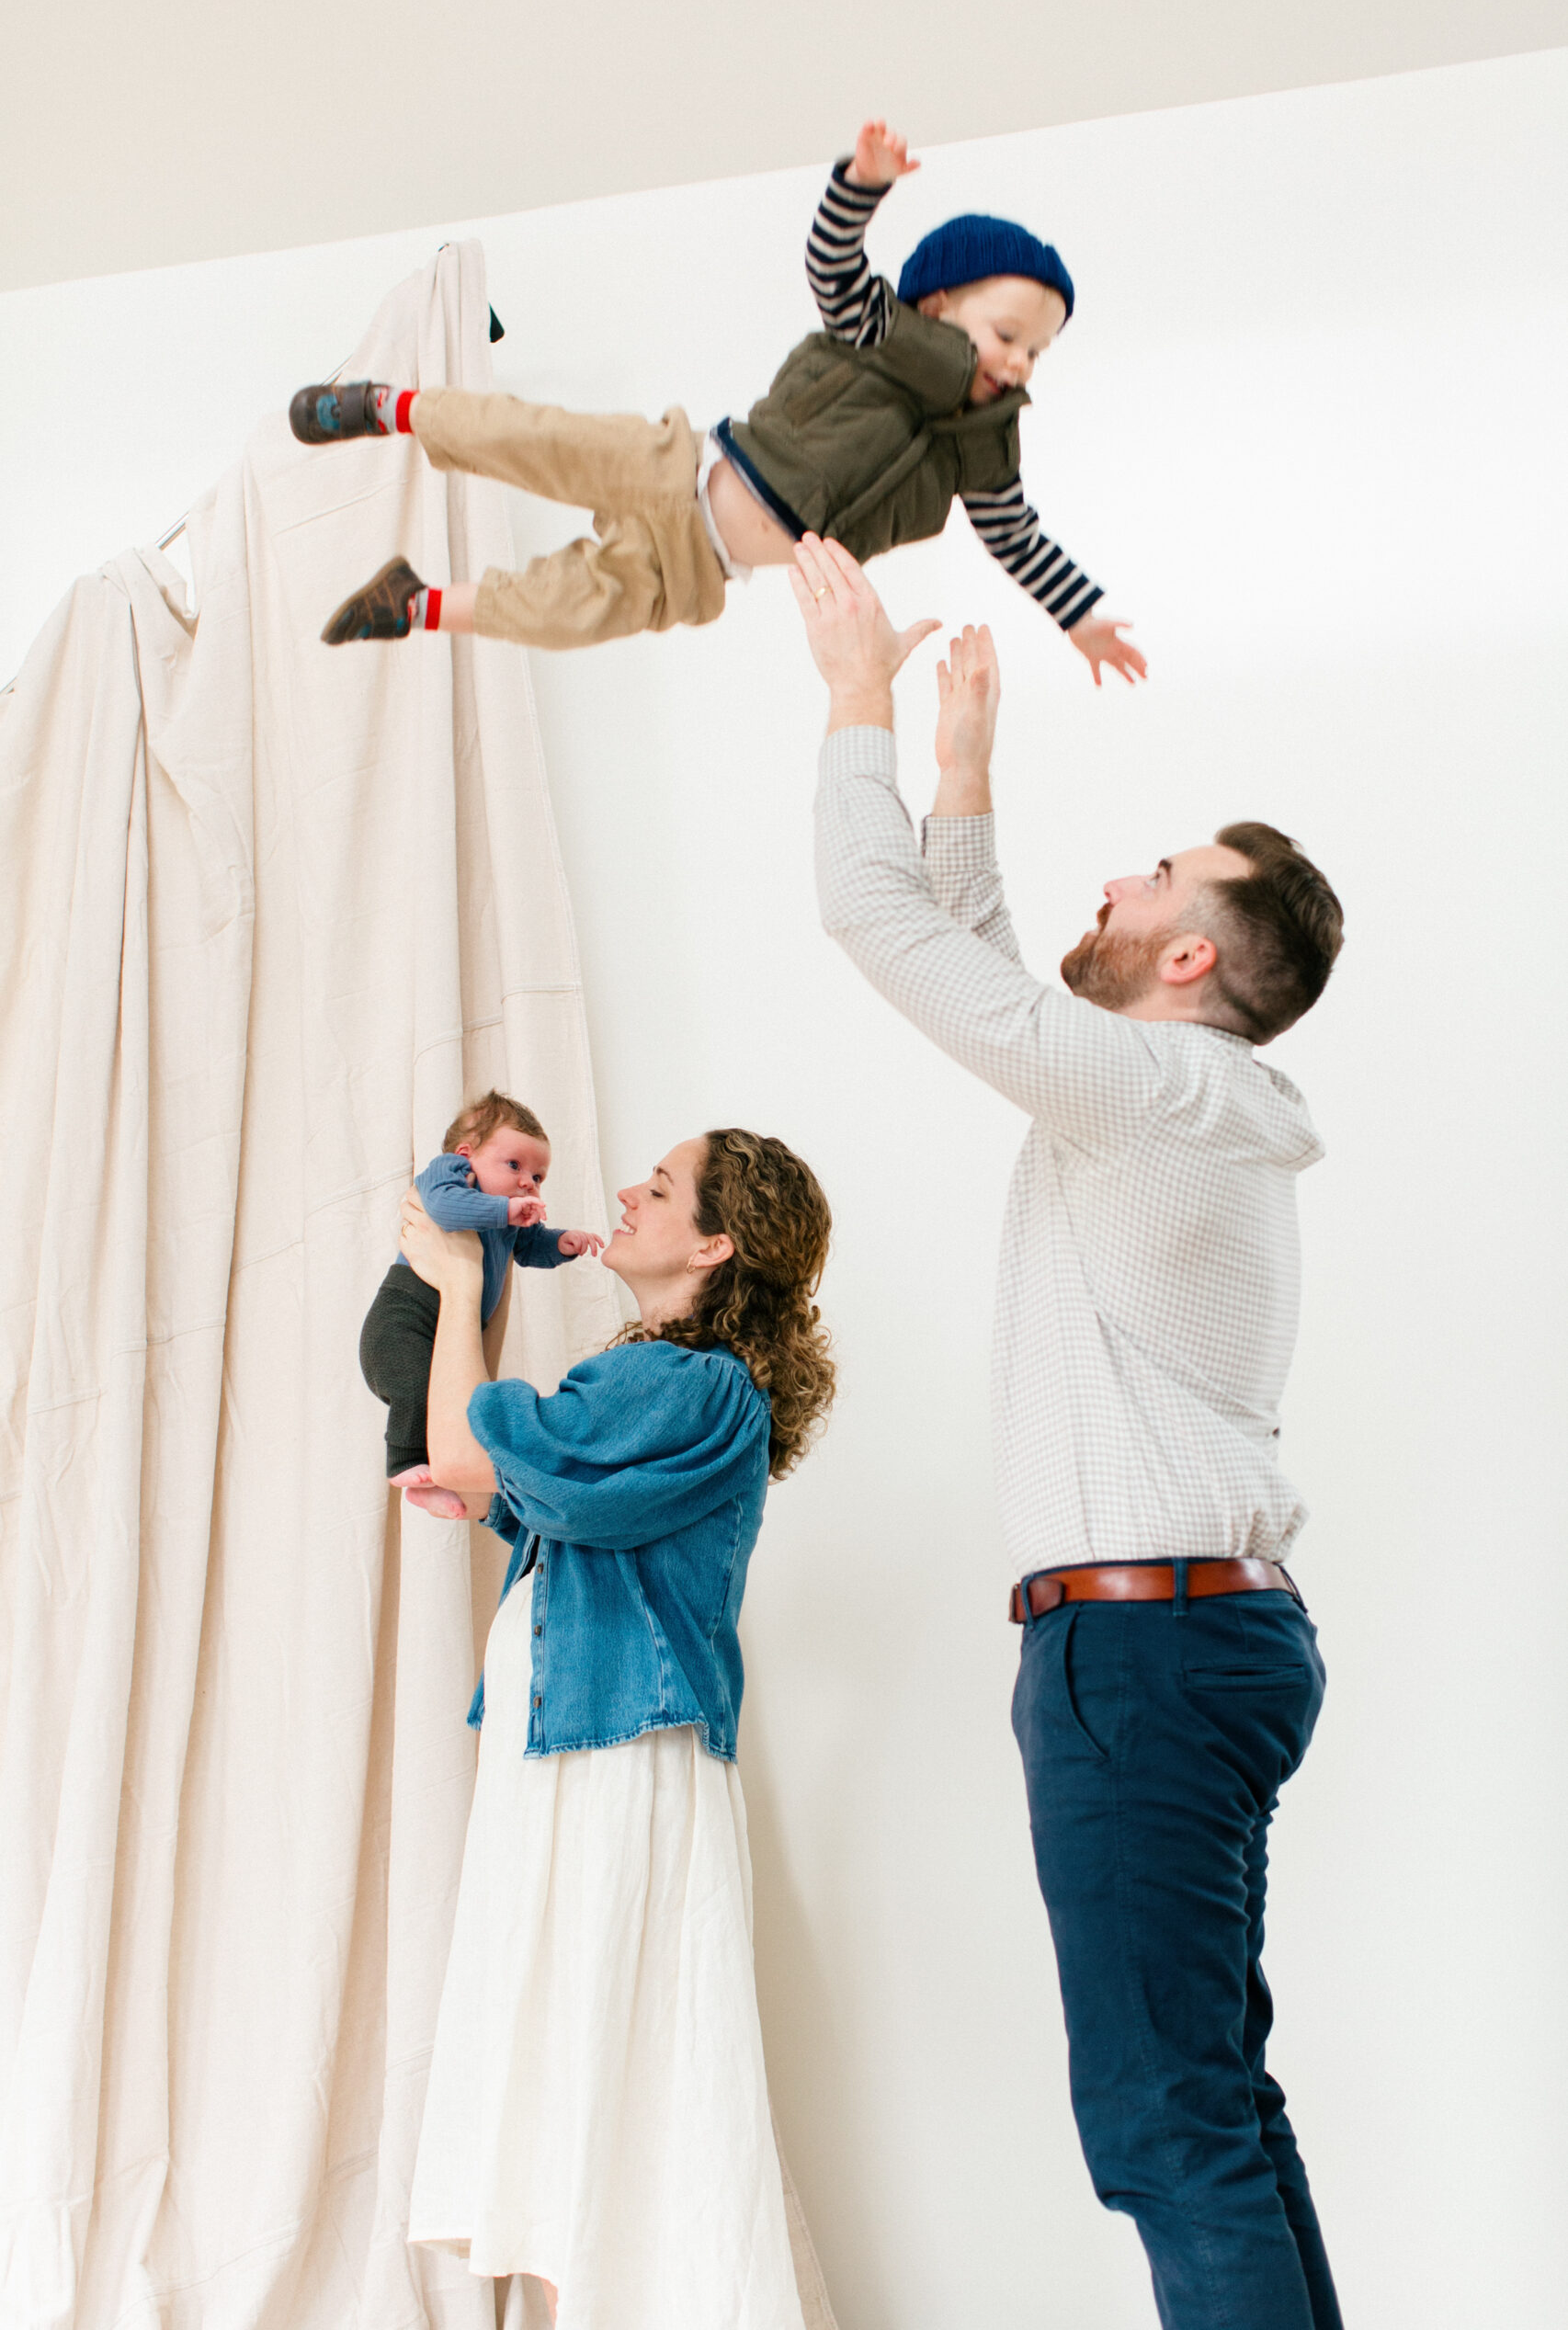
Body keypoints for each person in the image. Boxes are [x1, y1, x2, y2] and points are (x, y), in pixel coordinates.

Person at [791, 530, 1345, 2330]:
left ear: (1188, 950)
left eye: (1155, 871)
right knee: (1215, 2104)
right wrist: (965, 775)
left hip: (1146, 1646)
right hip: (1199, 1635)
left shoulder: (1156, 1090)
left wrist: (856, 702)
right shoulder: (1190, 1096)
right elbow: (1000, 995)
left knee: (1164, 2122)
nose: (1116, 879)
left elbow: (890, 938)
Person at [397, 1127, 836, 2330]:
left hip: (611, 1754)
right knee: (574, 2053)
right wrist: (491, 1478)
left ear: (715, 1241)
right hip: (573, 1748)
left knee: (599, 2050)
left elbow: (462, 1443)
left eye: (661, 1186)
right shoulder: (652, 1380)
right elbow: (511, 1482)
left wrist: (449, 1286)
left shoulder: (690, 1384)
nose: (628, 1195)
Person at [289, 119, 1144, 688]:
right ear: (937, 306)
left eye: (1037, 350)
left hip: (699, 565)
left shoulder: (983, 454)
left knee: (566, 616)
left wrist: (1079, 618)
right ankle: (389, 408)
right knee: (529, 438)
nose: (1019, 361)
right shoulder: (880, 333)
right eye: (1006, 332)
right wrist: (862, 182)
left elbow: (1016, 537)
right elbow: (831, 263)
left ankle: (411, 604)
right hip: (678, 468)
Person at [358, 1091, 602, 1517]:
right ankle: (405, 1465)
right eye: (515, 1166)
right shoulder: (449, 1176)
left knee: (456, 1409)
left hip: (450, 1327)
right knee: (415, 1390)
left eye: (539, 1177)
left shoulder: (506, 1217)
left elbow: (528, 1249)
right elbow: (444, 1209)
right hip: (403, 1317)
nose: (528, 1181)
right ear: (466, 1155)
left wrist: (560, 1244)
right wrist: (506, 1209)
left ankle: (440, 1475)